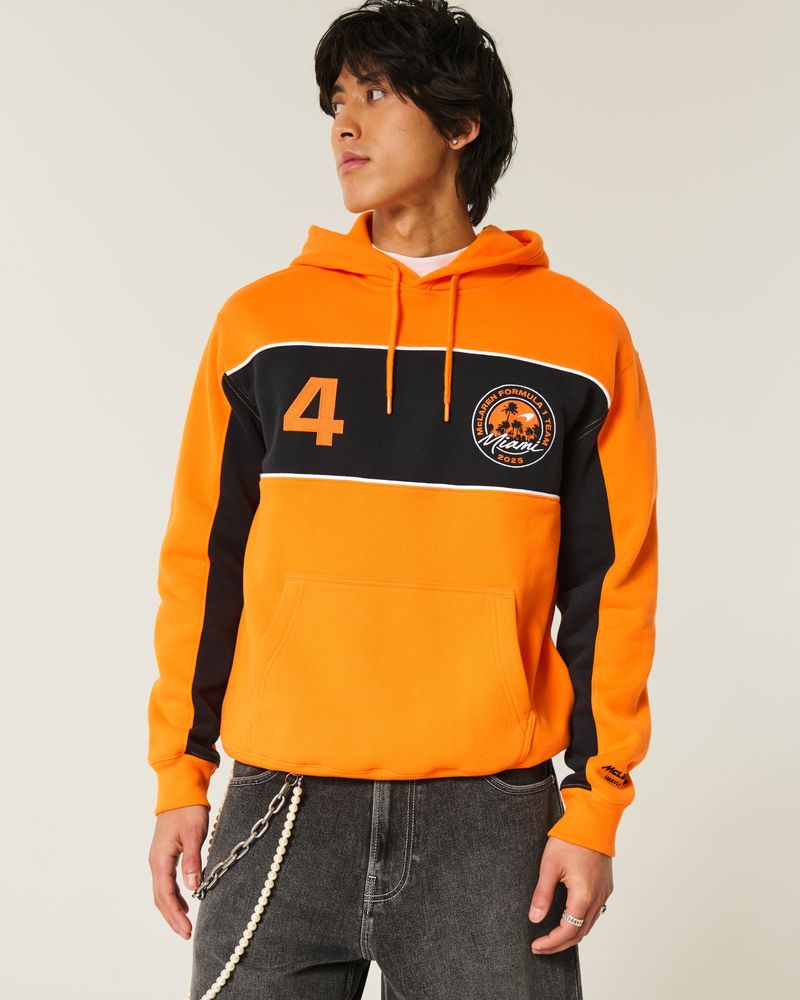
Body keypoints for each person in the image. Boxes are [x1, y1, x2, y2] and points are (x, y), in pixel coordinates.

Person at [147, 2, 659, 997]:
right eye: (337, 101)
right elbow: (203, 565)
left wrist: (594, 809)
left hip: (491, 818)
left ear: (461, 123)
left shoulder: (579, 337)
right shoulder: (262, 326)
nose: (344, 123)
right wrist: (180, 774)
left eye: (376, 94)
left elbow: (611, 587)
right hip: (281, 803)